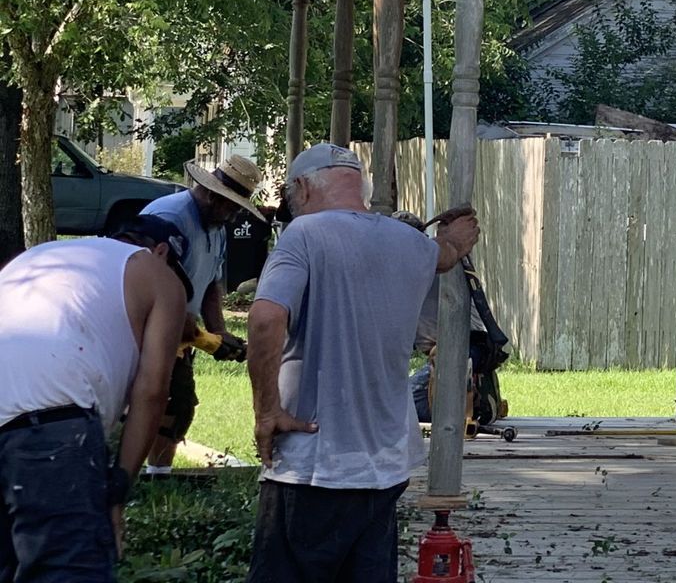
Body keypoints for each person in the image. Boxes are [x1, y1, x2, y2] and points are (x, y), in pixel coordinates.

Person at [247, 143, 479, 583]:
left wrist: (267, 411)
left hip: (314, 467)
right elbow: (445, 255)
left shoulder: (303, 235)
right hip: (385, 467)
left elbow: (264, 318)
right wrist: (456, 235)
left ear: (302, 187)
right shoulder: (410, 243)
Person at [0, 217, 191, 580]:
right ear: (162, 252)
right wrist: (117, 486)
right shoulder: (158, 275)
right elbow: (152, 391)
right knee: (67, 571)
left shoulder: (44, 255)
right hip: (52, 427)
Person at [140, 153, 266, 471]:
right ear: (212, 194)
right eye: (233, 206)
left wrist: (219, 331)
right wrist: (203, 339)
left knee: (178, 405)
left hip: (179, 331)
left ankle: (157, 477)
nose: (235, 215)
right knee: (158, 401)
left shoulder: (215, 224)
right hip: (147, 326)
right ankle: (135, 478)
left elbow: (211, 283)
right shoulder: (170, 218)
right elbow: (151, 287)